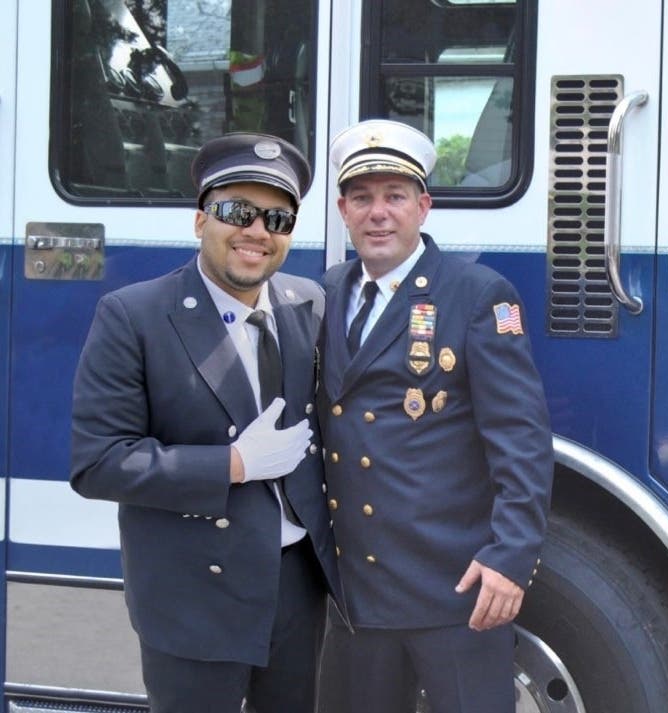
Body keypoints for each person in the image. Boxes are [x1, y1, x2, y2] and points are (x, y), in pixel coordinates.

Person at [70, 132, 345, 713]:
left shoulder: (309, 304)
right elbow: (98, 463)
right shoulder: (135, 315)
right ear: (201, 221)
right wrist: (233, 464)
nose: (257, 231)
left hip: (296, 587)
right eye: (237, 212)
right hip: (194, 592)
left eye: (277, 218)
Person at [316, 118, 554, 713]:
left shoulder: (476, 295)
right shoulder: (325, 293)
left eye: (395, 197)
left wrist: (511, 558)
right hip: (356, 593)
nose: (378, 214)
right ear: (343, 211)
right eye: (362, 198)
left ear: (423, 207)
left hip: (452, 589)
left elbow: (520, 438)